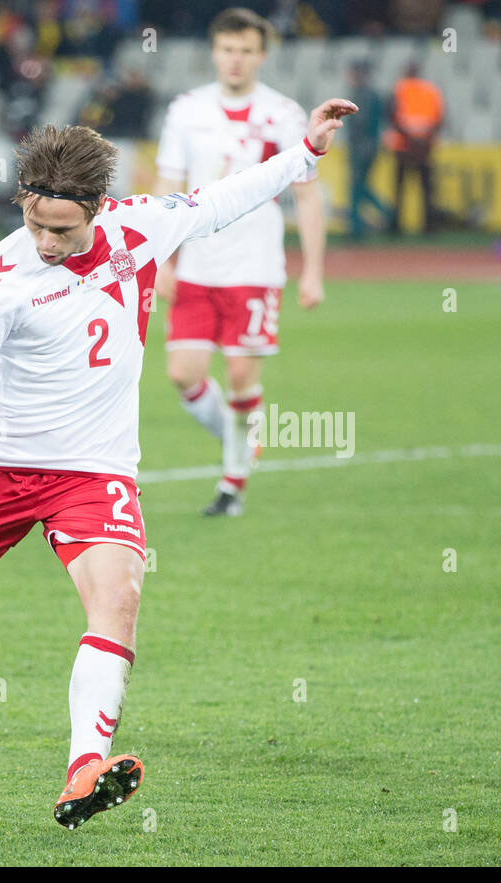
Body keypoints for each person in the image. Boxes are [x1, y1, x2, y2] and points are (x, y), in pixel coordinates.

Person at [0, 96, 356, 828]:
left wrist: (303, 153)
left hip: (94, 469)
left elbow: (222, 200)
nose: (47, 242)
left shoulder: (138, 228)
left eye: (62, 229)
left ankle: (84, 764)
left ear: (98, 208)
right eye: (34, 223)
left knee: (118, 597)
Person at [152, 7, 329, 517]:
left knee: (239, 378)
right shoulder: (186, 110)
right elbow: (167, 186)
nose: (236, 60)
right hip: (197, 265)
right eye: (228, 49)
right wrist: (160, 257)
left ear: (261, 55)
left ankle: (232, 487)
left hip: (255, 266)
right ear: (214, 52)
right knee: (182, 373)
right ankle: (243, 441)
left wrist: (313, 269)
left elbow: (308, 196)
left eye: (246, 51)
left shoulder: (285, 114)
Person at [386, 61, 444, 234]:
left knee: (400, 188)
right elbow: (439, 119)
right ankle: (428, 226)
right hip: (423, 147)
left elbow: (391, 117)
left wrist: (411, 139)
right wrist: (423, 140)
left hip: (404, 146)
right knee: (425, 189)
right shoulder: (431, 90)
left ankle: (396, 226)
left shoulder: (398, 90)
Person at [345, 60, 391, 240]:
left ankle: (358, 228)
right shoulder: (372, 95)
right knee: (360, 187)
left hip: (361, 148)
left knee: (357, 188)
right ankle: (385, 215)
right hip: (369, 146)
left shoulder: (361, 95)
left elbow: (360, 123)